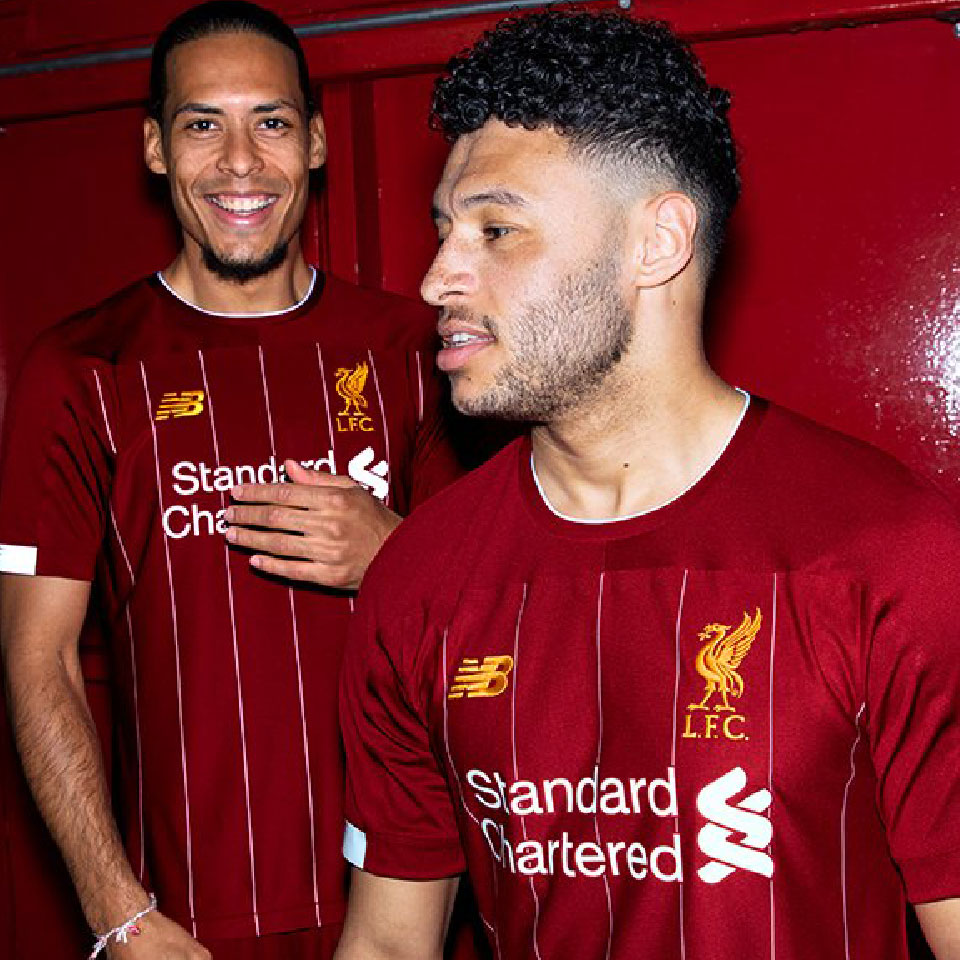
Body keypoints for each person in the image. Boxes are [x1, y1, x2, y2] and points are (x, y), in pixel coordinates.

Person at [335, 10, 960, 960]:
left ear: (657, 242)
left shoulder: (895, 557)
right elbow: (387, 943)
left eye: (496, 230)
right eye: (444, 230)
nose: (435, 279)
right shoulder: (419, 576)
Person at [0, 2, 463, 957]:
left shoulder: (417, 351)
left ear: (317, 142)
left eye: (272, 122)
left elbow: (508, 621)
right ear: (156, 148)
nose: (241, 162)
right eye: (203, 124)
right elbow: (35, 654)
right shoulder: (81, 369)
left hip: (413, 904)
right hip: (185, 922)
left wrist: (397, 553)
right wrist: (116, 912)